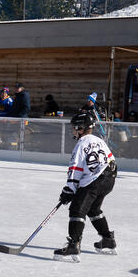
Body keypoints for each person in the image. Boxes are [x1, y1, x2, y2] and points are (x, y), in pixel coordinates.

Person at [54, 111, 118, 259]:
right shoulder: (99, 140)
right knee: (93, 209)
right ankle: (108, 239)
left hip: (95, 180)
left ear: (80, 128)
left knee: (77, 209)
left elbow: (75, 170)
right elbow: (111, 159)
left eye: (74, 128)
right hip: (110, 178)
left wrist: (69, 190)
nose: (73, 131)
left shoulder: (81, 145)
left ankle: (73, 246)